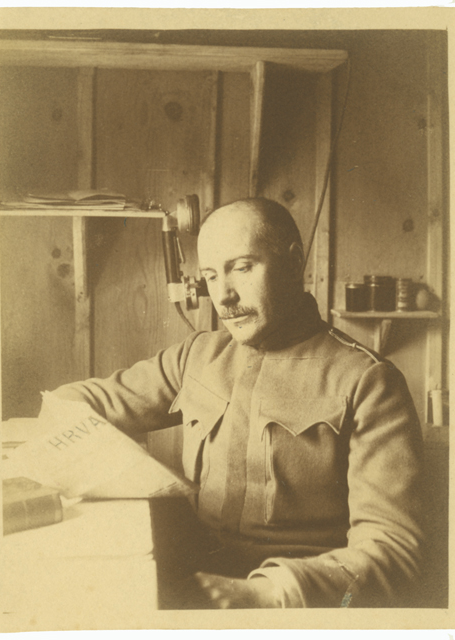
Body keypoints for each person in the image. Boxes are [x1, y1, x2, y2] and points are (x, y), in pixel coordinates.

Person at [43, 198, 424, 608]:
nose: (223, 296)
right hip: (191, 577)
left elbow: (394, 550)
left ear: (293, 262)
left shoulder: (368, 380)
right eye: (210, 275)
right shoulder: (197, 356)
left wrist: (265, 593)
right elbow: (73, 402)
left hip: (294, 607)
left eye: (242, 268)